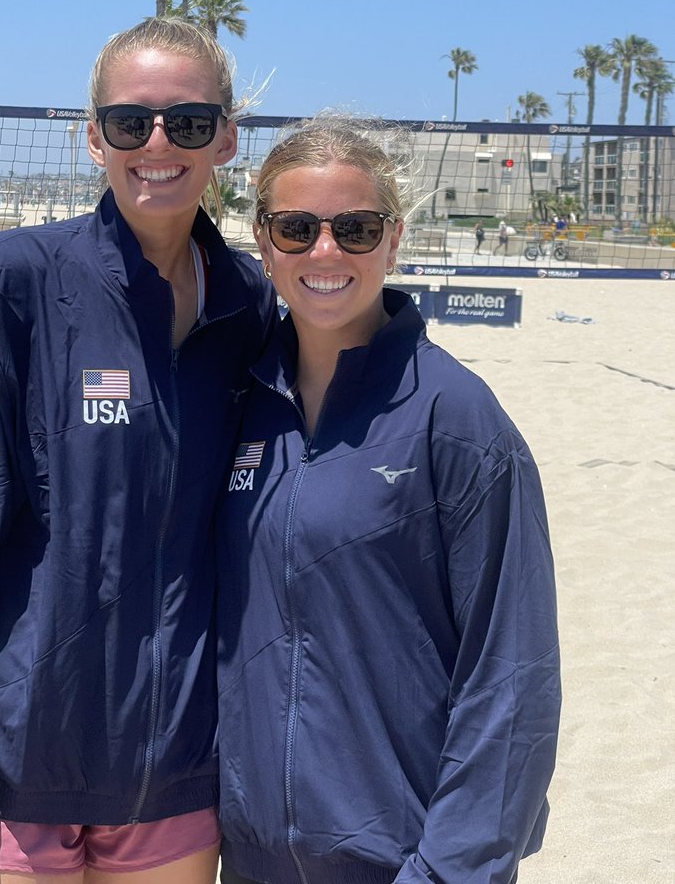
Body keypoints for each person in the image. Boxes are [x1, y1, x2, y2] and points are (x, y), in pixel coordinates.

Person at [0, 18, 276, 884]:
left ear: (224, 136)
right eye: (128, 122)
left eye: (187, 122)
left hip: (177, 768)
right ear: (92, 136)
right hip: (26, 763)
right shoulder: (15, 279)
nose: (157, 143)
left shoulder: (250, 306)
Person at [216, 115, 560, 884]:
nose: (326, 252)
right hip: (250, 860)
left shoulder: (456, 417)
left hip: (403, 861)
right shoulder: (238, 404)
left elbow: (513, 673)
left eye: (357, 228)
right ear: (264, 241)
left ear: (394, 239)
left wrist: (450, 868)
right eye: (298, 228)